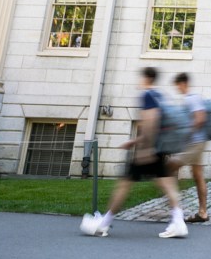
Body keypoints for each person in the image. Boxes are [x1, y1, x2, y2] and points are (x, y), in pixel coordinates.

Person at [79, 67, 188, 239]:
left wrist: (145, 148)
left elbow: (151, 121)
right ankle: (179, 222)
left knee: (124, 184)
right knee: (167, 185)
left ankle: (103, 224)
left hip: (149, 150)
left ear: (146, 79)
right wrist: (134, 141)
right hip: (159, 147)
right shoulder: (159, 95)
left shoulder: (146, 95)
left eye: (141, 78)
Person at [167, 72, 209, 223]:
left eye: (177, 85)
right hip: (196, 142)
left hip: (195, 143)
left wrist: (185, 133)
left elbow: (200, 119)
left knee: (169, 166)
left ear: (183, 83)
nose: (177, 88)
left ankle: (175, 207)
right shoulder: (189, 99)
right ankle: (202, 213)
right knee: (198, 176)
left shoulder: (192, 99)